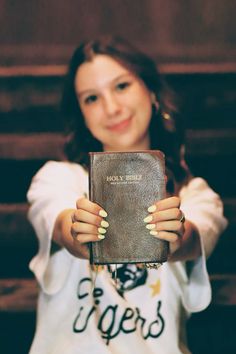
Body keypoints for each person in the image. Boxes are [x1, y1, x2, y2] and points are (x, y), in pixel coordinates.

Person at [27, 36, 227, 354]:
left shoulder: (196, 195)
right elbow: (63, 224)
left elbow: (191, 239)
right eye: (92, 98)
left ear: (151, 92)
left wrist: (172, 236)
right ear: (81, 114)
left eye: (122, 86)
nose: (111, 108)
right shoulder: (58, 179)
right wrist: (79, 233)